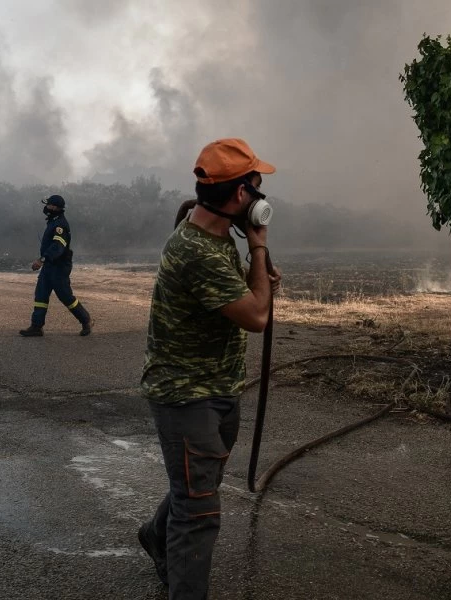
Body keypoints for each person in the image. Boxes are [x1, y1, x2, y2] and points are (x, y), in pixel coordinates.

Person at [136, 138, 281, 598]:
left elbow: (241, 300)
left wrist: (255, 270)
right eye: (257, 187)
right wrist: (259, 250)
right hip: (187, 395)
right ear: (241, 197)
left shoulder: (216, 238)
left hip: (218, 387)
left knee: (199, 484)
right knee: (198, 513)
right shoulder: (197, 250)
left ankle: (156, 536)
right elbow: (257, 317)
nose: (262, 199)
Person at [19, 194, 92, 337]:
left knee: (66, 297)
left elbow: (58, 246)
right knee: (41, 295)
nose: (45, 207)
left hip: (59, 267)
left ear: (55, 207)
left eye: (48, 205)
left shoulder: (60, 225)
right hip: (49, 266)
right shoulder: (53, 221)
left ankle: (86, 320)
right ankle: (36, 327)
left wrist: (42, 260)